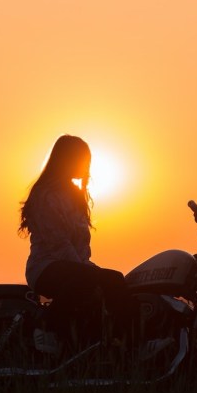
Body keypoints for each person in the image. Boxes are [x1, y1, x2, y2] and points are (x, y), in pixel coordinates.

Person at [19, 135, 136, 344]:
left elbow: (81, 248)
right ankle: (45, 328)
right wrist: (90, 273)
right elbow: (59, 244)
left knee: (116, 279)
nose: (86, 167)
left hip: (75, 267)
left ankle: (125, 343)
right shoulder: (45, 195)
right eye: (82, 161)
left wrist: (91, 270)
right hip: (46, 267)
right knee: (90, 280)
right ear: (66, 160)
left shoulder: (75, 195)